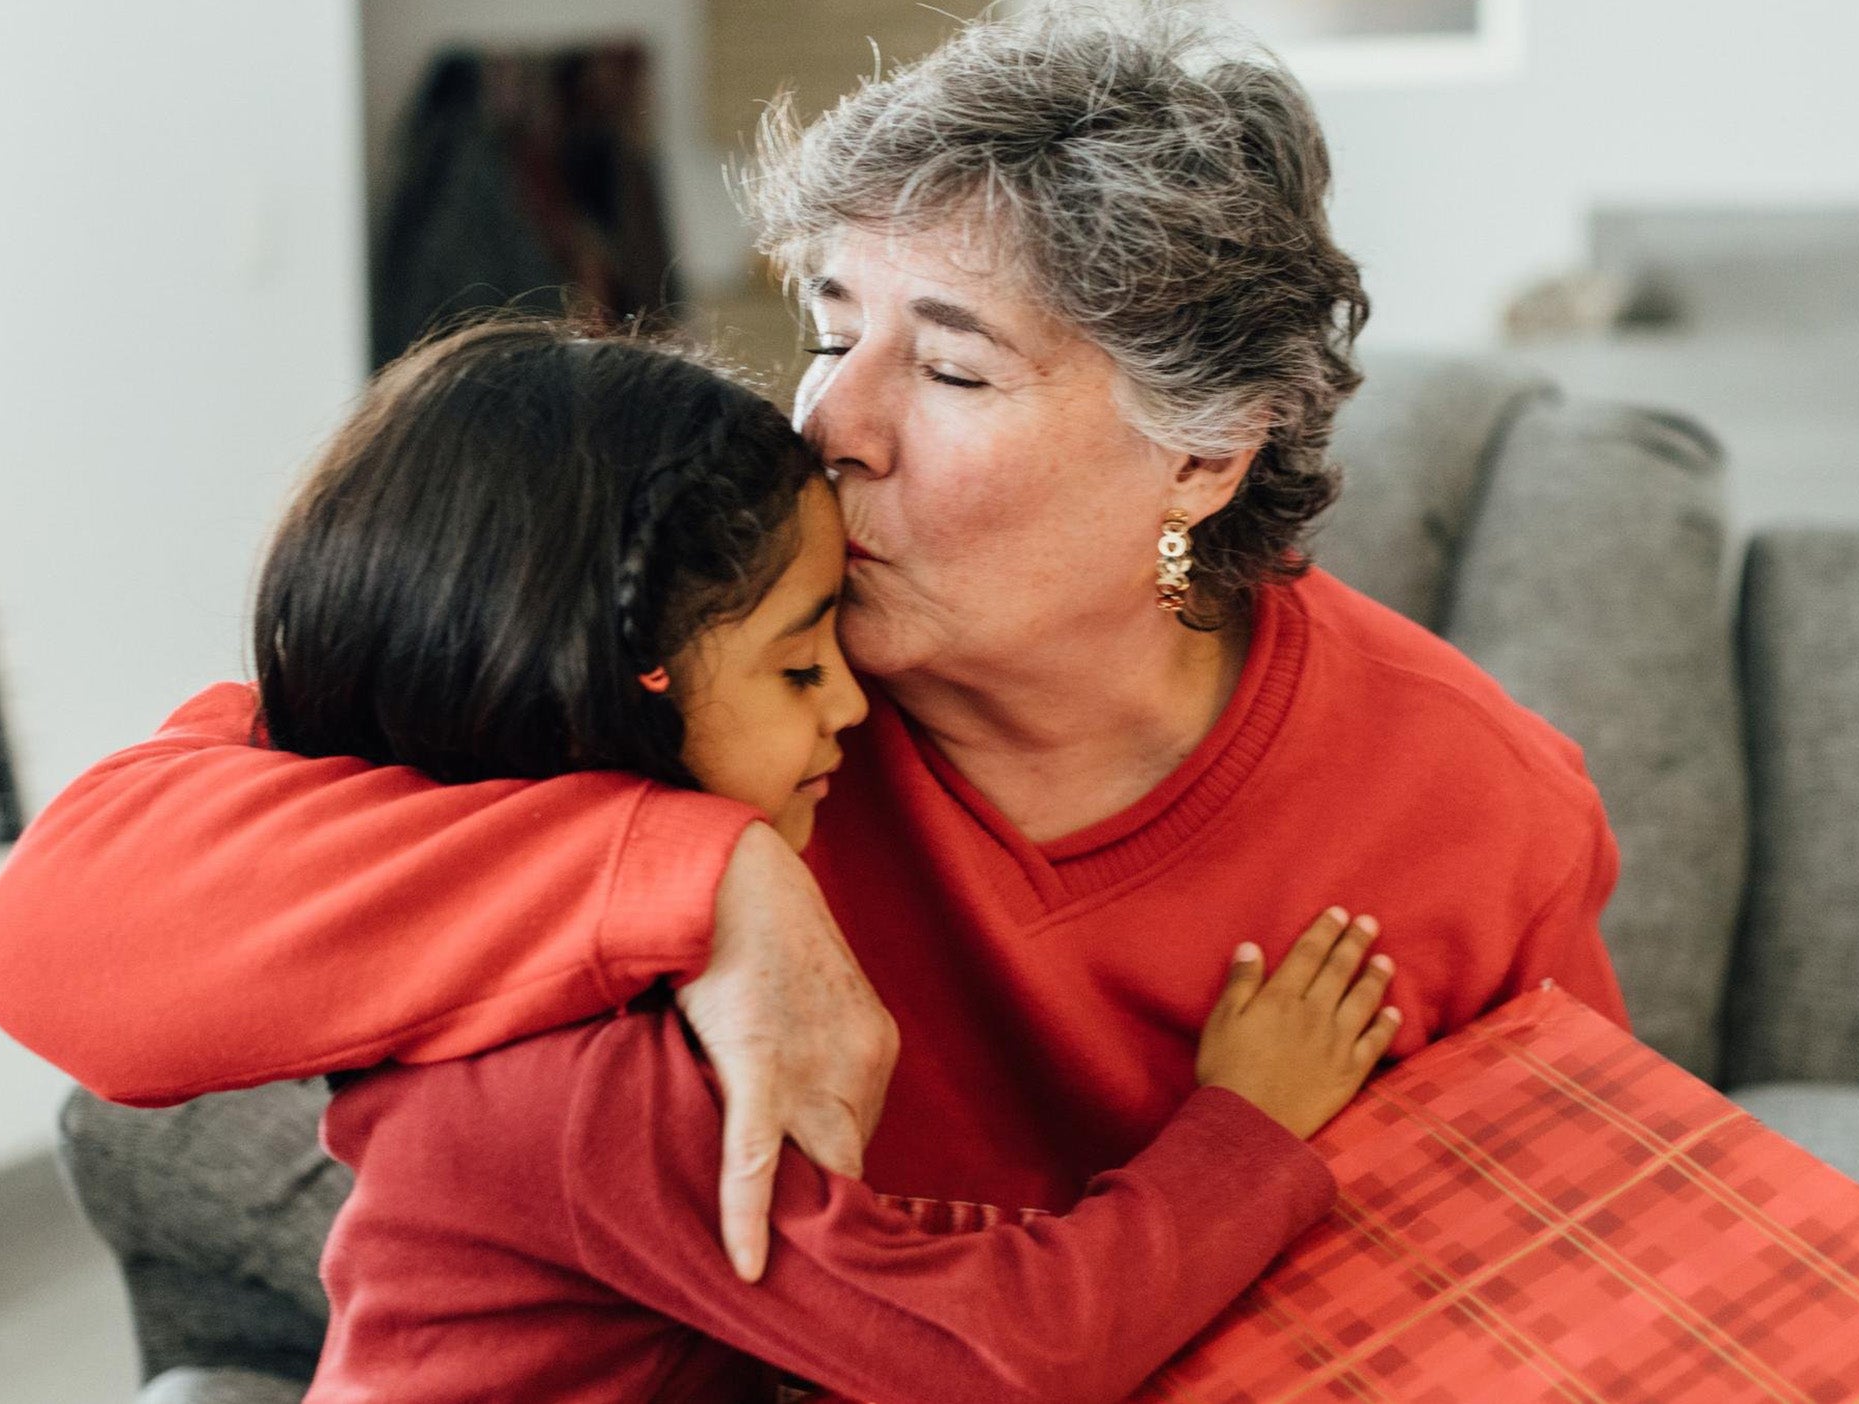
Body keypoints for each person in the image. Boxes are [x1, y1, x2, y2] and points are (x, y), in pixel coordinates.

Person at [0, 5, 1629, 1290]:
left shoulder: (1472, 809)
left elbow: (1591, 1271)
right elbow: (61, 939)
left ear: (1204, 453)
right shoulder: (711, 653)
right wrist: (701, 880)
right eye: (831, 324)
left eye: (954, 369)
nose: (829, 417)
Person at [242, 316, 1400, 1402]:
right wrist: (1248, 1125)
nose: (852, 702)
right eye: (799, 669)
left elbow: (854, 1259)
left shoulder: (540, 969)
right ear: (594, 697)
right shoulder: (597, 1085)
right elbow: (1002, 1355)